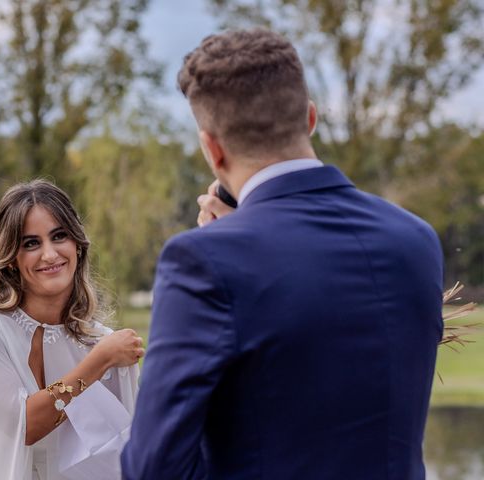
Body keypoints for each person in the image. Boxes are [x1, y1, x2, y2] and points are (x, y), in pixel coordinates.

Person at [122, 29, 443, 479]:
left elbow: (154, 468)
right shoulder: (415, 239)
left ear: (212, 150)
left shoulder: (200, 262)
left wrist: (221, 247)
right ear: (310, 118)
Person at [0, 180, 144, 480]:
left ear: (77, 246)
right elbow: (24, 426)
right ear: (12, 259)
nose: (50, 254)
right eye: (31, 243)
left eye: (59, 236)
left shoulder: (101, 342)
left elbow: (127, 455)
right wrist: (100, 362)